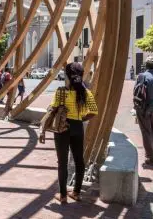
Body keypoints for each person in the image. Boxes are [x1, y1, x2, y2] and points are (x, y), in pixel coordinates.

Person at [39, 62, 98, 204]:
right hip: (78, 127)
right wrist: (81, 119)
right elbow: (94, 112)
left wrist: (43, 128)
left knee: (62, 162)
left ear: (67, 76)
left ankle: (63, 195)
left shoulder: (61, 92)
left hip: (62, 128)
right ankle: (76, 192)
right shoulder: (86, 93)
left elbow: (52, 109)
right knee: (79, 160)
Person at [135, 56, 153, 166]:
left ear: (146, 65)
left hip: (144, 108)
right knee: (152, 130)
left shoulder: (142, 76)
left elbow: (136, 92)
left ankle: (150, 157)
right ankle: (150, 153)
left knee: (146, 132)